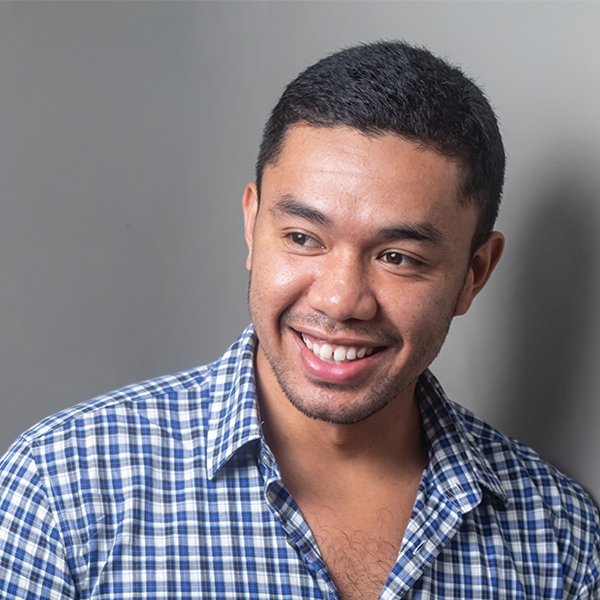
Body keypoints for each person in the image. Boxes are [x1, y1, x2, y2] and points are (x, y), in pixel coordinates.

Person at [0, 41, 598, 600]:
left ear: (474, 272)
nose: (340, 301)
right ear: (252, 226)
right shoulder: (59, 492)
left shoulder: (561, 537)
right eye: (304, 238)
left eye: (398, 257)